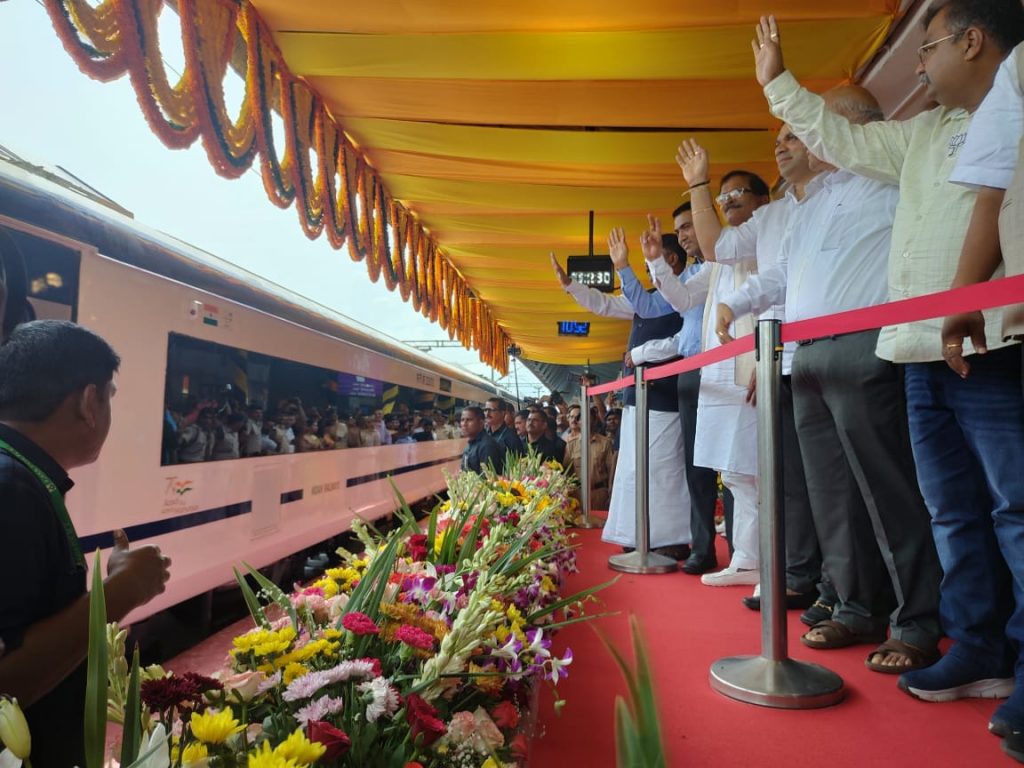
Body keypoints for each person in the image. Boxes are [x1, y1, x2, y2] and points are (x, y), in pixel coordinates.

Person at [752, 1, 1024, 714]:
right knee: (949, 509)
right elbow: (836, 136)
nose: (920, 63)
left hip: (996, 340)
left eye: (927, 46)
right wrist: (779, 84)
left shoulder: (1018, 102)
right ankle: (975, 648)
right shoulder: (922, 136)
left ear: (973, 41)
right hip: (918, 348)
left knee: (1013, 508)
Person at [718, 85, 943, 673]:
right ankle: (855, 605)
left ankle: (918, 617)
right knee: (831, 495)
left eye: (813, 127)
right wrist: (735, 303)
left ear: (856, 128)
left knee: (885, 488)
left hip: (866, 350)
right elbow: (785, 272)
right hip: (806, 354)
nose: (804, 139)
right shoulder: (811, 202)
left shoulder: (890, 182)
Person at [0, 320, 171, 768]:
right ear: (90, 402)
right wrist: (120, 593)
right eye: (109, 397)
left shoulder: (20, 475)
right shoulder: (11, 489)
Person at [941, 37, 1024, 757]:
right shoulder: (1020, 69)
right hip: (1014, 323)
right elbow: (994, 189)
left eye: (926, 43)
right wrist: (969, 299)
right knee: (1014, 505)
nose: (920, 63)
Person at [553, 237, 692, 559]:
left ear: (669, 259)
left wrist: (641, 354)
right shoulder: (650, 299)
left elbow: (684, 341)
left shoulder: (689, 294)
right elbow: (606, 304)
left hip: (666, 394)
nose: (647, 271)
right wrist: (570, 285)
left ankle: (670, 537)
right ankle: (637, 533)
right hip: (636, 395)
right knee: (632, 467)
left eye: (651, 263)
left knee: (663, 468)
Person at [564, 406, 616, 511]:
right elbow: (566, 472)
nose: (586, 421)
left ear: (595, 420)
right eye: (582, 419)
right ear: (578, 422)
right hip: (577, 495)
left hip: (600, 494)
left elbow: (612, 470)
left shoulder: (605, 443)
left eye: (589, 418)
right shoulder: (571, 444)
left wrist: (611, 493)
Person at [459, 406, 503, 475]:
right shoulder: (470, 444)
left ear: (481, 423)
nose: (464, 424)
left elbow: (486, 479)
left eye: (469, 420)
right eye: (462, 420)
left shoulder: (487, 446)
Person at [484, 397, 524, 472]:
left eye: (491, 410)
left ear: (502, 413)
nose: (487, 414)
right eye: (485, 410)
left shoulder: (512, 438)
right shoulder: (483, 435)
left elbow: (519, 467)